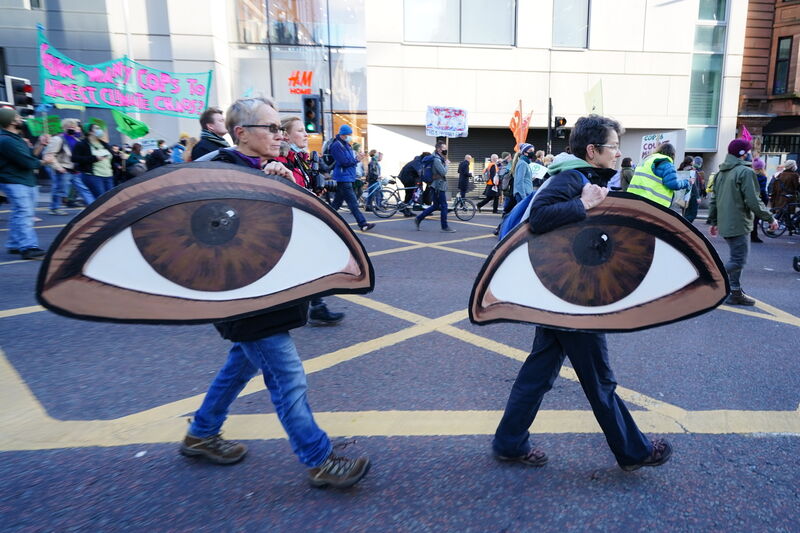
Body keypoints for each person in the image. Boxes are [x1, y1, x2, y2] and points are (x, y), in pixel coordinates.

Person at [182, 96, 370, 489]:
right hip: (245, 298)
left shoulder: (270, 168)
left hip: (271, 292)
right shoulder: (218, 173)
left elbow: (300, 226)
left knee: (239, 366)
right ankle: (319, 459)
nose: (279, 135)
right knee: (288, 379)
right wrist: (260, 186)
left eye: (281, 129)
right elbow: (218, 236)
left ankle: (201, 432)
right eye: (271, 128)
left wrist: (281, 184)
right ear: (241, 133)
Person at [493, 114, 673, 472]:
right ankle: (633, 451)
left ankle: (509, 442)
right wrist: (583, 205)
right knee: (599, 380)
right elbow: (540, 218)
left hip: (560, 293)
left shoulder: (580, 176)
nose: (618, 152)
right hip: (572, 298)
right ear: (592, 151)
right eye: (613, 147)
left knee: (539, 373)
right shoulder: (572, 177)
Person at [276, 115, 347, 326]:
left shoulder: (301, 158)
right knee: (303, 265)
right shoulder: (278, 161)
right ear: (286, 135)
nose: (306, 134)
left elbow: (304, 187)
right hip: (289, 223)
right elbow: (287, 191)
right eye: (299, 131)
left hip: (303, 221)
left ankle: (314, 306)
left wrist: (317, 188)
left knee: (308, 264)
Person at [707, 139, 778, 306]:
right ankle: (711, 279)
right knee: (738, 260)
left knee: (735, 257)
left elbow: (714, 199)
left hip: (726, 222)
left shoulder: (721, 172)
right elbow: (754, 201)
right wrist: (770, 218)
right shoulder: (745, 172)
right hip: (739, 222)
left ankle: (735, 291)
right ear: (743, 153)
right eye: (748, 151)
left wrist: (714, 221)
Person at [0, 107, 50, 259]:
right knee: (25, 213)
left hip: (25, 180)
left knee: (20, 213)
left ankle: (15, 244)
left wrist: (40, 145)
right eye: (17, 117)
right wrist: (45, 162)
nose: (20, 119)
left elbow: (30, 156)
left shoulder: (15, 138)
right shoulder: (6, 140)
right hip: (15, 180)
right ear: (10, 121)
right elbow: (28, 162)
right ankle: (29, 247)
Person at [329, 124, 375, 232]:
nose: (350, 136)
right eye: (349, 134)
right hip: (343, 178)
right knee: (353, 203)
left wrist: (357, 158)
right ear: (344, 135)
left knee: (336, 203)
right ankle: (363, 224)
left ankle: (324, 219)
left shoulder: (346, 145)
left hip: (347, 177)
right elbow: (344, 162)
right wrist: (357, 159)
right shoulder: (337, 146)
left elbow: (348, 160)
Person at [42, 118, 94, 213]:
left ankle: (93, 207)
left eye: (74, 126)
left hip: (75, 170)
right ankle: (54, 208)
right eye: (69, 127)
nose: (72, 128)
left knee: (83, 189)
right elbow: (50, 155)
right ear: (64, 127)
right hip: (63, 169)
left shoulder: (76, 139)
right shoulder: (58, 139)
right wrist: (59, 167)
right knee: (59, 190)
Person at [627, 143, 692, 207]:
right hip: (653, 203)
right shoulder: (667, 164)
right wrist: (687, 182)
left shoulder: (646, 160)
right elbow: (673, 184)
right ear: (672, 154)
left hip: (634, 199)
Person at [414, 141, 455, 233]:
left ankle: (418, 218)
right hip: (438, 186)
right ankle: (444, 227)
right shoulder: (436, 159)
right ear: (439, 149)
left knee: (436, 205)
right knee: (444, 206)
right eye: (444, 148)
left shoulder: (439, 158)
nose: (446, 150)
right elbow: (443, 172)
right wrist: (447, 165)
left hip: (436, 185)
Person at [72, 123, 115, 201]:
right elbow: (75, 158)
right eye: (97, 128)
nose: (100, 130)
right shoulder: (82, 144)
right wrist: (94, 158)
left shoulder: (104, 144)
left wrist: (119, 157)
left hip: (108, 176)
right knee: (100, 200)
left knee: (110, 199)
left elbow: (112, 158)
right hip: (94, 176)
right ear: (89, 132)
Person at [750, 158, 769, 243]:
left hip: (749, 197)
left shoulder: (749, 174)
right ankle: (754, 236)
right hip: (759, 199)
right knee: (756, 218)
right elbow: (762, 190)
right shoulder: (762, 176)